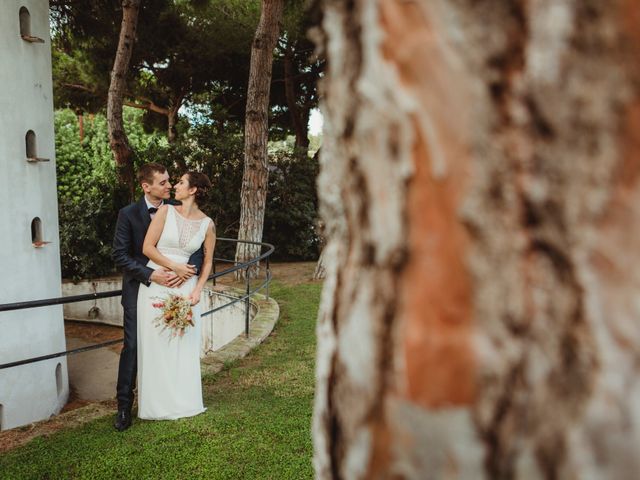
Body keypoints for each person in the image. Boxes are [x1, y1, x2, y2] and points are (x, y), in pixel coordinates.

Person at [112, 163, 204, 431]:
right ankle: (124, 407)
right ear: (146, 186)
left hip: (177, 285)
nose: (169, 186)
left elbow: (196, 244)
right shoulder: (128, 215)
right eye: (163, 183)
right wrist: (150, 275)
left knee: (173, 341)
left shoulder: (179, 208)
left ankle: (170, 399)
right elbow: (120, 255)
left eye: (169, 182)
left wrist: (188, 271)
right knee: (134, 345)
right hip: (139, 287)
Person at [136, 171, 215, 420]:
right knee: (157, 343)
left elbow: (208, 262)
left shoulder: (207, 224)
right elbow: (147, 247)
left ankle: (184, 402)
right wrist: (175, 266)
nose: (175, 186)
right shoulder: (165, 212)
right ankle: (157, 405)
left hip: (186, 289)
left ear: (193, 190)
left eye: (180, 182)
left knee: (183, 343)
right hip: (158, 281)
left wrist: (198, 289)